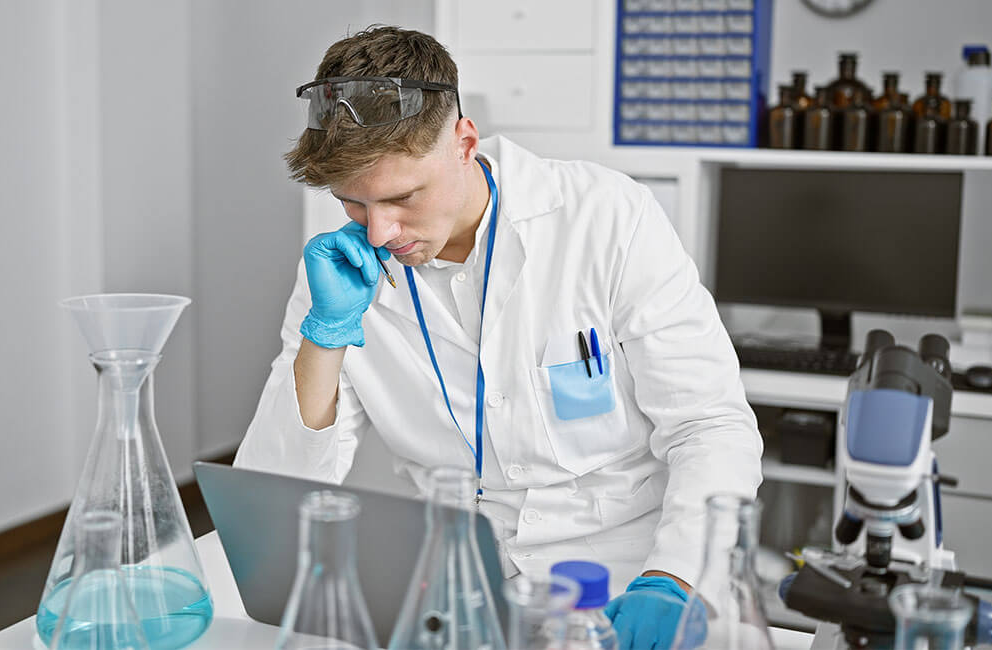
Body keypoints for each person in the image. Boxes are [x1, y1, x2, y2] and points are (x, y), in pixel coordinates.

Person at [235, 25, 763, 647]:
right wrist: (325, 336)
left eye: (403, 197)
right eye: (353, 204)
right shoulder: (339, 275)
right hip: (461, 585)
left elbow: (709, 425)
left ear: (464, 142)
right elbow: (272, 493)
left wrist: (675, 578)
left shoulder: (606, 217)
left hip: (626, 580)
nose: (379, 233)